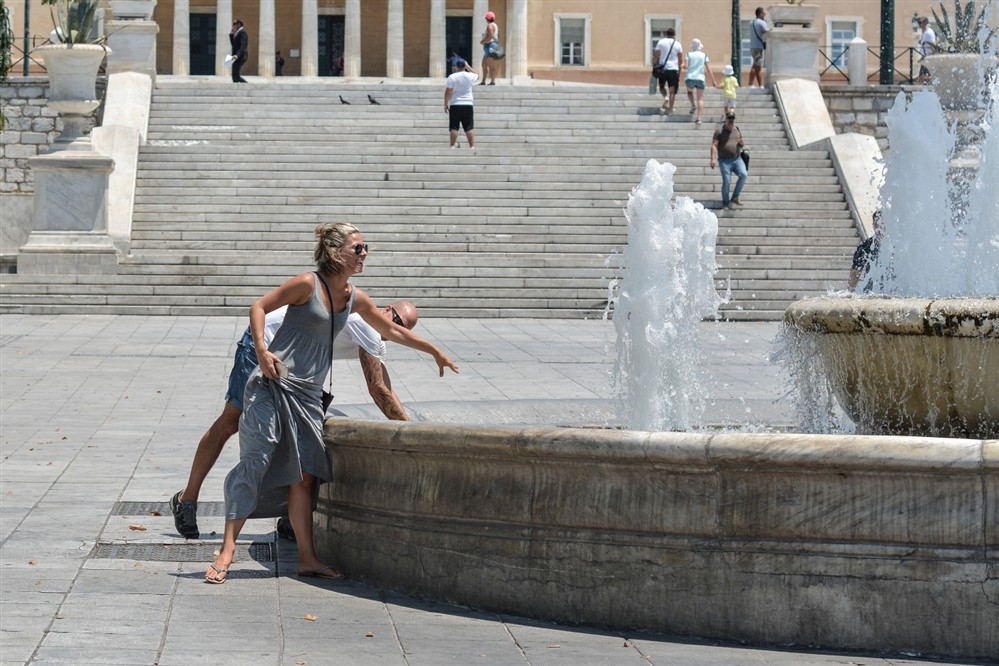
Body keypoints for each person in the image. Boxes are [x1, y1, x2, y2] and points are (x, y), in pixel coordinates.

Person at [204, 222, 459, 584]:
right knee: (255, 462)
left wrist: (434, 350)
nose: (364, 253)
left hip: (308, 396)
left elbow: (392, 331)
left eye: (365, 247)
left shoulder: (354, 297)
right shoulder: (307, 284)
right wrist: (261, 350)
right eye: (358, 248)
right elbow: (259, 306)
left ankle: (307, 558)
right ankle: (227, 551)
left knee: (305, 477)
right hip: (273, 384)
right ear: (336, 252)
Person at [170, 300, 420, 539]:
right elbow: (377, 389)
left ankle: (289, 516)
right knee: (230, 423)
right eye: (397, 320)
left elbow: (387, 387)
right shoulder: (366, 324)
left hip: (292, 363)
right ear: (386, 309)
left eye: (404, 328)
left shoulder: (376, 337)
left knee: (297, 434)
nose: (397, 328)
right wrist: (411, 436)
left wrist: (409, 425)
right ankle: (186, 500)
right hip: (263, 346)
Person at [710, 111, 747, 210]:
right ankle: (726, 203)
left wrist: (742, 143)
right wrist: (713, 159)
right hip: (724, 161)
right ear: (725, 119)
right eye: (729, 118)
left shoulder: (737, 129)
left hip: (737, 159)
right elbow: (714, 145)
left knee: (743, 175)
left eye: (732, 118)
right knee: (727, 180)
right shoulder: (719, 131)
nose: (731, 120)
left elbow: (741, 143)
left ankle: (735, 197)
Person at [445, 57, 479, 149]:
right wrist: (468, 66)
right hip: (468, 104)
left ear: (456, 67)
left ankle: (452, 145)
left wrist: (445, 104)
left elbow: (448, 91)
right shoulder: (470, 76)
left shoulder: (452, 77)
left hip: (455, 104)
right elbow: (477, 75)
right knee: (469, 127)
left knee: (454, 127)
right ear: (464, 66)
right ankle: (472, 146)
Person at [848, 211, 884, 292]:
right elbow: (855, 274)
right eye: (876, 225)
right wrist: (849, 293)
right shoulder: (865, 246)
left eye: (882, 225)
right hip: (871, 292)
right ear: (873, 226)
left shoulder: (897, 247)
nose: (879, 230)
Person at [684, 39, 717, 125]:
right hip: (700, 78)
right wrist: (713, 80)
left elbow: (686, 66)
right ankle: (698, 118)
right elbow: (708, 68)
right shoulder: (704, 55)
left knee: (689, 91)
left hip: (690, 77)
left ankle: (692, 105)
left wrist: (682, 65)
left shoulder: (688, 54)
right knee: (700, 98)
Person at [653, 28, 684, 115]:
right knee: (672, 90)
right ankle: (670, 109)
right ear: (674, 35)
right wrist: (680, 72)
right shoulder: (678, 44)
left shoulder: (661, 42)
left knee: (662, 86)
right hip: (673, 69)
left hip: (663, 69)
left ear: (667, 34)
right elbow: (680, 59)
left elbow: (656, 55)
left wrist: (654, 65)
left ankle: (665, 97)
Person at [748, 7, 769, 88]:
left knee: (756, 65)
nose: (765, 15)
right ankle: (753, 84)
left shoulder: (751, 22)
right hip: (758, 47)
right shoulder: (761, 23)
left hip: (752, 46)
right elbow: (768, 31)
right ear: (760, 14)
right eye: (764, 13)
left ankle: (757, 84)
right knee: (756, 66)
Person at [480, 11, 501, 86]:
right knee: (484, 64)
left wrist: (483, 41)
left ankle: (492, 81)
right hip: (491, 46)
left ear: (487, 18)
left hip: (490, 46)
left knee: (491, 65)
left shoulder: (490, 26)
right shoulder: (494, 25)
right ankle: (483, 81)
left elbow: (490, 36)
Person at [917, 17, 937, 84]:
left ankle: (937, 79)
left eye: (920, 22)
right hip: (925, 57)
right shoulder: (925, 32)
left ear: (925, 23)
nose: (919, 24)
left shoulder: (928, 33)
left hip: (927, 58)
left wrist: (929, 57)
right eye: (918, 22)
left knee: (922, 77)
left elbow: (932, 46)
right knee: (922, 77)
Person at [229, 19, 249, 83]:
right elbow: (233, 45)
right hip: (235, 56)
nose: (233, 26)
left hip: (239, 56)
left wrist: (237, 55)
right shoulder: (237, 33)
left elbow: (243, 46)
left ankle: (247, 86)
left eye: (234, 24)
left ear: (239, 25)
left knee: (236, 76)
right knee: (234, 76)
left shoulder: (243, 32)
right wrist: (232, 35)